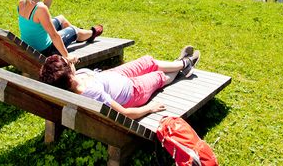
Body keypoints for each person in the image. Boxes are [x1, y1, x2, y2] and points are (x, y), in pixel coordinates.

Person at [39, 47, 201, 119]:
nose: (67, 61)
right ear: (68, 74)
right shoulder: (90, 93)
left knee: (147, 61)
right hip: (132, 91)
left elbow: (66, 68)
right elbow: (123, 113)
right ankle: (184, 64)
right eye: (66, 63)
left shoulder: (71, 82)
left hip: (115, 76)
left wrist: (69, 61)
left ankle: (181, 64)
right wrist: (148, 108)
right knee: (159, 76)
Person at [18, 0, 103, 63]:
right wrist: (67, 56)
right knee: (73, 30)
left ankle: (78, 35)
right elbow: (54, 35)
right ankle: (91, 33)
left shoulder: (23, 1)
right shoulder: (41, 9)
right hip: (45, 51)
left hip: (29, 48)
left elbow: (42, 9)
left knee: (61, 18)